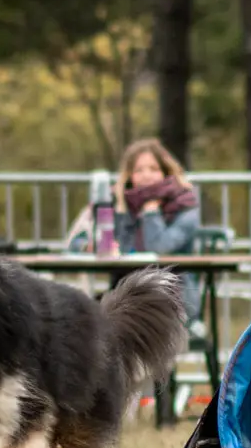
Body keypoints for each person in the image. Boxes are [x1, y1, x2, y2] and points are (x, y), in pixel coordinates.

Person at [70, 137, 205, 326]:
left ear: (166, 172)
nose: (146, 175)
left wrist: (150, 213)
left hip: (173, 295)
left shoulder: (185, 204)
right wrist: (90, 245)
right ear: (129, 175)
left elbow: (160, 247)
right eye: (138, 170)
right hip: (124, 290)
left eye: (153, 169)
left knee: (121, 321)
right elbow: (76, 241)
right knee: (81, 318)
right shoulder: (116, 202)